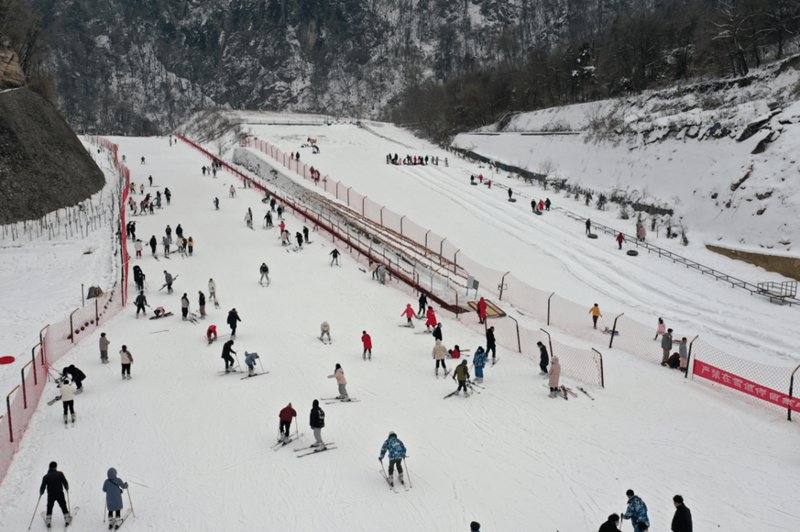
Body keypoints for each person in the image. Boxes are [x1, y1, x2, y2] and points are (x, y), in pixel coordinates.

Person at [40, 462, 71, 528]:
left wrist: (41, 493)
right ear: (56, 467)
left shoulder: (46, 477)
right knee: (63, 505)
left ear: (49, 467)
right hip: (59, 493)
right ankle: (67, 519)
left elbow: (43, 487)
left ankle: (48, 521)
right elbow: (65, 482)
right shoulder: (60, 474)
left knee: (50, 506)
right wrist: (66, 488)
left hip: (51, 494)